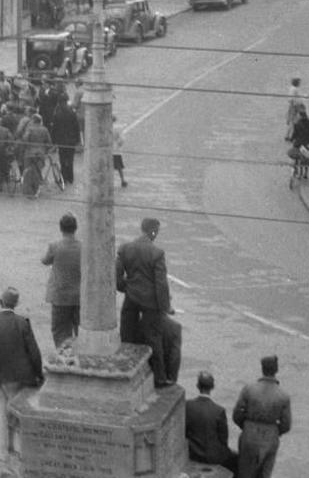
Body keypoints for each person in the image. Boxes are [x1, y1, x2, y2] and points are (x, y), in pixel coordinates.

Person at [0, 287, 45, 469]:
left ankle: (2, 454)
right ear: (16, 304)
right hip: (18, 378)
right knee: (16, 414)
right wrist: (38, 375)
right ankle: (18, 449)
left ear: (0, 302)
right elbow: (34, 353)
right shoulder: (23, 323)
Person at [115, 218, 173, 387]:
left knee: (127, 334)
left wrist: (125, 287)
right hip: (151, 303)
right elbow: (161, 283)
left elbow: (116, 274)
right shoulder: (157, 253)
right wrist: (165, 307)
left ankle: (124, 370)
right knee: (153, 338)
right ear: (153, 232)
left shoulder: (125, 249)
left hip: (131, 298)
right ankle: (159, 377)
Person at [233, 355, 292, 478]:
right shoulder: (283, 396)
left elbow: (237, 415)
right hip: (271, 436)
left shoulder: (249, 389)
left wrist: (246, 425)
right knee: (265, 473)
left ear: (262, 369)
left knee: (244, 473)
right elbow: (286, 425)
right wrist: (275, 431)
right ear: (276, 370)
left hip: (249, 433)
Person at [185, 371, 238, 476]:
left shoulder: (188, 406)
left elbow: (185, 430)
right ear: (212, 387)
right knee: (237, 459)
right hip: (213, 455)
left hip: (193, 452)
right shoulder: (219, 411)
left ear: (197, 386)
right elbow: (224, 439)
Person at [41, 213, 81, 348]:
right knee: (80, 331)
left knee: (60, 332)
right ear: (75, 228)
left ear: (61, 228)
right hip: (79, 297)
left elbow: (45, 261)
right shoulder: (83, 247)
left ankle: (63, 358)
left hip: (60, 297)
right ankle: (80, 356)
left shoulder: (54, 246)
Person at [51, 102, 81, 186]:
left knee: (62, 160)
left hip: (61, 141)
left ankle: (64, 177)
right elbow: (76, 127)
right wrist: (77, 139)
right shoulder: (72, 114)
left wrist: (53, 141)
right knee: (70, 159)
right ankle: (70, 177)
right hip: (71, 141)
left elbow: (54, 128)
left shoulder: (57, 114)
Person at [112, 116, 127, 188]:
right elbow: (122, 139)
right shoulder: (117, 128)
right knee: (119, 166)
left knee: (108, 166)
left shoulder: (106, 127)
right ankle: (122, 180)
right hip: (116, 150)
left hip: (108, 149)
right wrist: (118, 145)